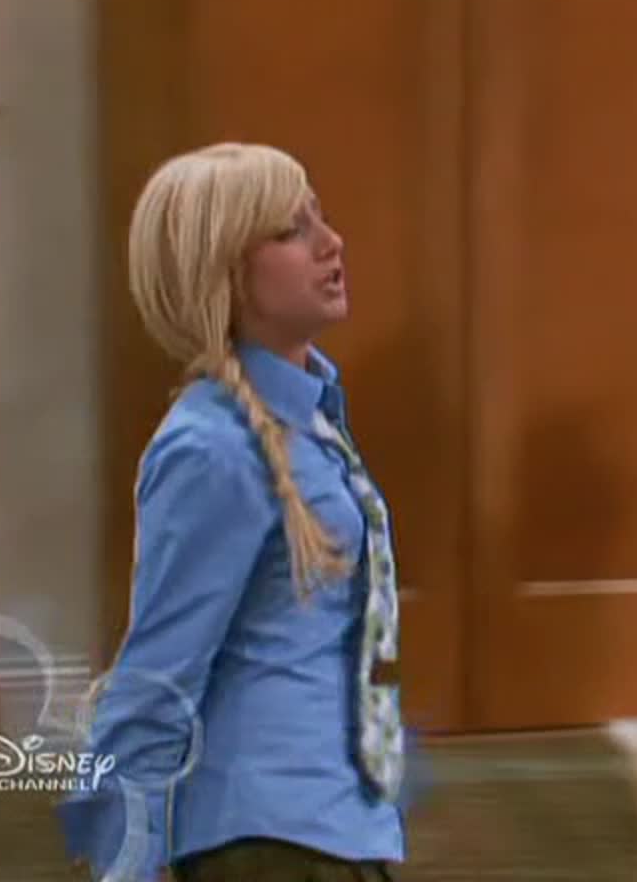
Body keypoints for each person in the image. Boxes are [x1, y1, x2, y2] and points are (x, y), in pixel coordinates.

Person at [57, 143, 406, 882]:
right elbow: (157, 675)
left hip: (335, 831)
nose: (332, 243)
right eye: (291, 231)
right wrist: (126, 861)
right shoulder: (211, 448)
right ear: (224, 273)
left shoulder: (309, 421)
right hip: (267, 844)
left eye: (321, 218)